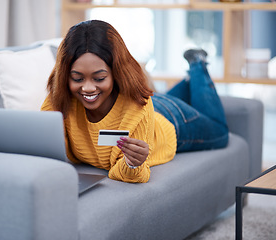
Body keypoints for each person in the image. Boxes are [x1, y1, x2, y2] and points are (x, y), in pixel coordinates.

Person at [41, 20, 228, 183]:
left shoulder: (138, 105)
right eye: (77, 78)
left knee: (220, 133)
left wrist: (132, 163)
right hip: (149, 102)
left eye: (99, 78)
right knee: (161, 99)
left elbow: (135, 174)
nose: (87, 88)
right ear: (65, 75)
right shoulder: (59, 98)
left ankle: (197, 63)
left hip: (168, 120)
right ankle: (190, 82)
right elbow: (47, 150)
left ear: (116, 73)